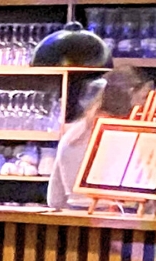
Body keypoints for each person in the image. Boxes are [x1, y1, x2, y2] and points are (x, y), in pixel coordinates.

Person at [47, 65, 138, 211]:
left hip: (75, 224)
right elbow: (145, 196)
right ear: (132, 94)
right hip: (121, 222)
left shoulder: (72, 134)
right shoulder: (129, 135)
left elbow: (55, 200)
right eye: (146, 96)